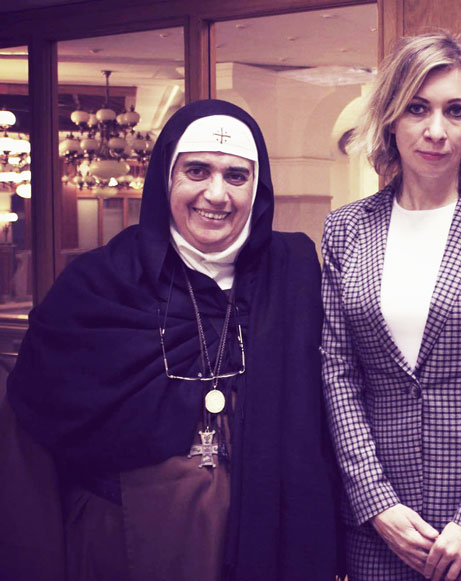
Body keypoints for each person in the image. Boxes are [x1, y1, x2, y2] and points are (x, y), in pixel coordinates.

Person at [3, 99, 341, 580]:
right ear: (166, 178)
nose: (216, 194)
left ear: (258, 188)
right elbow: (35, 434)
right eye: (197, 171)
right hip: (122, 548)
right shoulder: (97, 285)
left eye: (236, 176)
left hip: (265, 544)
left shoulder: (292, 273)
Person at [321, 32, 461, 581]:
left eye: (456, 111)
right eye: (417, 108)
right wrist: (376, 502)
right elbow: (337, 373)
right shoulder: (345, 228)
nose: (436, 130)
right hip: (381, 529)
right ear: (391, 116)